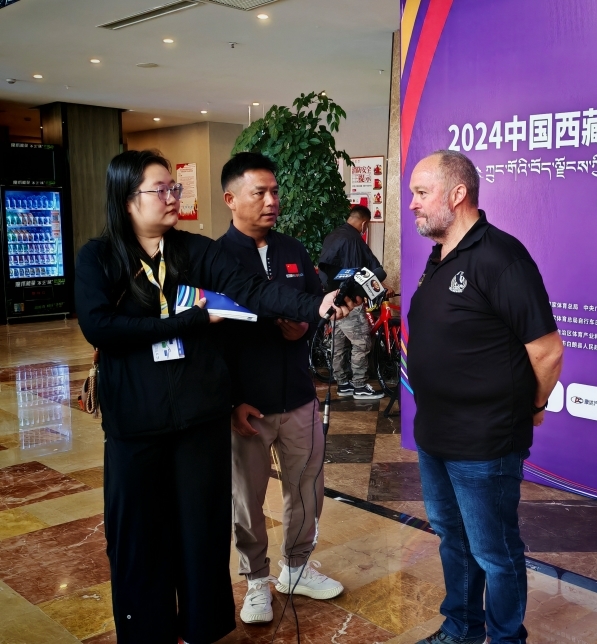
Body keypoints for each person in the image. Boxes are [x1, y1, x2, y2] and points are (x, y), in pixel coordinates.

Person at [74, 150, 353, 644]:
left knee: (201, 530)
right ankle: (147, 631)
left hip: (198, 417)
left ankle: (201, 629)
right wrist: (189, 321)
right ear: (127, 198)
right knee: (138, 534)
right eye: (161, 189)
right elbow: (101, 327)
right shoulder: (99, 257)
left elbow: (253, 291)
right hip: (136, 420)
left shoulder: (196, 252)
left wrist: (316, 303)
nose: (172, 197)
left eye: (174, 188)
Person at [406, 151, 563, 644]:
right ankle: (462, 630)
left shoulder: (501, 257)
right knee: (452, 539)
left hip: (485, 442)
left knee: (494, 552)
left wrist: (533, 406)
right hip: (435, 435)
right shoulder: (439, 256)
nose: (412, 204)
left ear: (458, 194)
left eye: (421, 193)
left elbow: (547, 351)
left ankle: (506, 638)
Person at [217, 152, 343, 625]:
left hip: (298, 398)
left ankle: (296, 568)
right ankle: (255, 581)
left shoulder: (293, 250)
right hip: (246, 407)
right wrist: (231, 401)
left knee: (307, 489)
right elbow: (211, 342)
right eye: (260, 193)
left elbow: (314, 306)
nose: (272, 201)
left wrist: (304, 329)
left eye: (275, 192)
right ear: (231, 199)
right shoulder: (216, 258)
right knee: (246, 501)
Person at [317, 205, 386, 400]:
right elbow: (368, 271)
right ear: (364, 224)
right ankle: (360, 385)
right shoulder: (355, 240)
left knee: (338, 344)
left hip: (331, 299)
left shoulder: (332, 236)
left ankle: (343, 384)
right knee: (362, 342)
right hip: (349, 301)